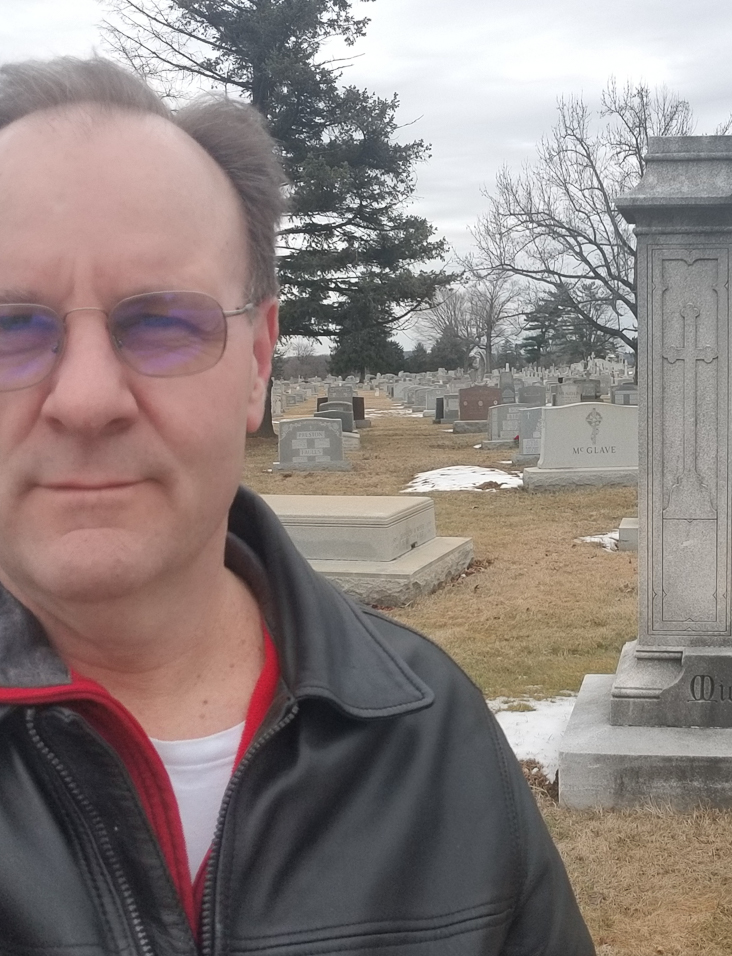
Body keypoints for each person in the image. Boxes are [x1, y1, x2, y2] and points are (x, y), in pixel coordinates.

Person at [0, 57, 594, 955]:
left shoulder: (426, 733)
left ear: (259, 358)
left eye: (162, 322)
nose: (86, 400)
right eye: (10, 326)